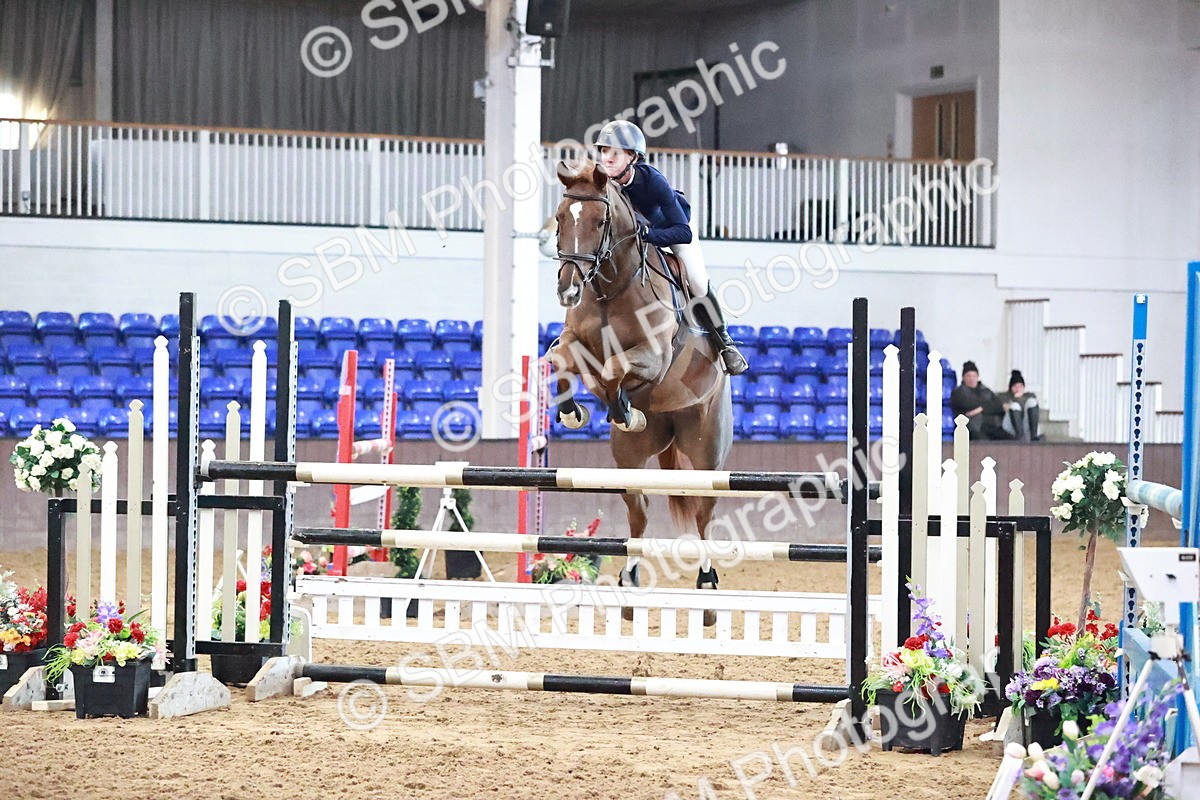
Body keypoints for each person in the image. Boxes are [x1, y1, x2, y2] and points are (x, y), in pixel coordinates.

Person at [592, 120, 748, 376]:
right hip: (641, 234)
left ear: (632, 157)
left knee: (697, 281)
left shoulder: (652, 181)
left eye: (615, 153)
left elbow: (683, 233)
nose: (606, 158)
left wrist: (649, 235)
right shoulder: (606, 185)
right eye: (603, 151)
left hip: (673, 227)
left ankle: (724, 342)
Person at [948, 361, 1014, 441]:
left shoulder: (986, 391)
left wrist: (981, 408)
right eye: (968, 376)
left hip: (993, 426)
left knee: (1012, 440)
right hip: (973, 429)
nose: (971, 379)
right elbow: (968, 404)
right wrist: (988, 406)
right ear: (963, 377)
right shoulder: (958, 392)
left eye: (974, 376)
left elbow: (999, 406)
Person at [997, 370, 1041, 441]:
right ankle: (1019, 437)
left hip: (1026, 426)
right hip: (1011, 427)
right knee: (1014, 406)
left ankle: (1033, 436)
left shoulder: (1030, 395)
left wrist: (1019, 399)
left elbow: (1032, 407)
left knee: (1032, 402)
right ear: (1011, 387)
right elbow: (1006, 408)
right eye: (1015, 386)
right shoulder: (1004, 396)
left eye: (1020, 386)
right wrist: (1016, 399)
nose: (1018, 389)